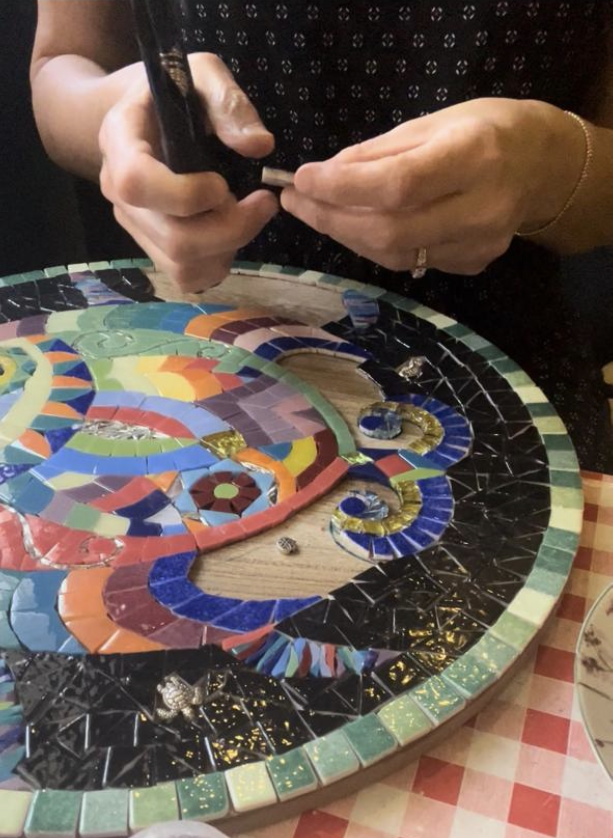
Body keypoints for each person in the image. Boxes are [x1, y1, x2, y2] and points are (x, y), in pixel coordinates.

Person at [30, 0, 612, 470]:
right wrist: (118, 118)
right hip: (200, 361)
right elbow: (64, 62)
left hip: (512, 386)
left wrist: (554, 168)